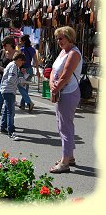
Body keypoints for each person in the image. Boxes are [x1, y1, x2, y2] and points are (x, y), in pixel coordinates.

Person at [49, 26, 82, 174]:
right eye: (57, 38)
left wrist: (55, 88)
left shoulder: (74, 53)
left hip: (68, 92)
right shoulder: (64, 52)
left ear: (69, 37)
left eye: (61, 38)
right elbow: (54, 70)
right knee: (64, 124)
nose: (58, 41)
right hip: (62, 91)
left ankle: (64, 162)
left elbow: (66, 75)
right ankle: (70, 157)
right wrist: (51, 84)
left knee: (65, 127)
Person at [0, 51, 27, 140]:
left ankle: (3, 127)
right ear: (19, 59)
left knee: (7, 109)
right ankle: (11, 131)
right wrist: (21, 81)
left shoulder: (12, 65)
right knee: (11, 112)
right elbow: (11, 78)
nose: (22, 64)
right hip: (8, 90)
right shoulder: (14, 66)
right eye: (22, 62)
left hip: (6, 89)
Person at [0, 36, 16, 133]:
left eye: (5, 45)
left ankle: (6, 124)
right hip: (1, 79)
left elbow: (20, 64)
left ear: (10, 44)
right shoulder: (1, 52)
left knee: (8, 104)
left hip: (10, 82)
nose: (4, 47)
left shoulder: (16, 53)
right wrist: (5, 70)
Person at [17, 34, 40, 112]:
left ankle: (28, 102)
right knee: (26, 87)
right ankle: (23, 104)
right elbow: (36, 60)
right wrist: (37, 70)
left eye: (21, 41)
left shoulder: (22, 49)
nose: (20, 42)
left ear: (24, 41)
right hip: (30, 69)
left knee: (20, 86)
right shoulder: (32, 49)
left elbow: (19, 60)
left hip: (23, 70)